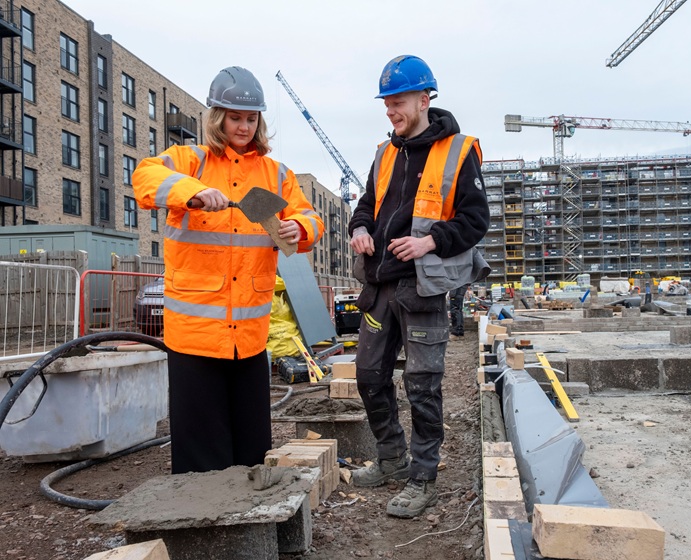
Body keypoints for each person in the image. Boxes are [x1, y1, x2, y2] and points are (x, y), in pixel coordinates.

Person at [133, 67, 324, 474]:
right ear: (217, 117)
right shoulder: (189, 161)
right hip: (195, 339)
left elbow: (310, 220)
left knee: (251, 448)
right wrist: (193, 192)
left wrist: (300, 227)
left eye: (251, 118)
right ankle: (205, 529)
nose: (244, 126)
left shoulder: (275, 174)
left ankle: (249, 526)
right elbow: (145, 177)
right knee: (202, 453)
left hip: (250, 339)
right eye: (235, 117)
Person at [348, 55, 490, 518]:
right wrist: (360, 229)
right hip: (381, 283)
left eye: (398, 102)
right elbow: (366, 205)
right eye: (387, 103)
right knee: (369, 375)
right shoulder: (385, 152)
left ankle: (422, 477)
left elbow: (475, 221)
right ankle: (391, 458)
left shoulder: (458, 149)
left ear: (425, 98)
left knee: (423, 385)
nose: (391, 111)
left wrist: (431, 239)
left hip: (425, 286)